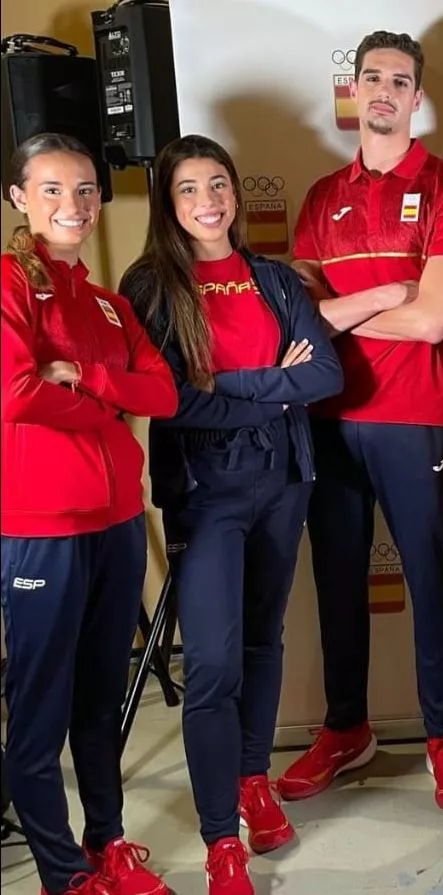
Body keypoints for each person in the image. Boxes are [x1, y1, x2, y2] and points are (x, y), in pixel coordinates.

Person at [120, 134, 343, 895]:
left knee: (261, 640)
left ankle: (253, 780)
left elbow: (322, 373)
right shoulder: (150, 286)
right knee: (211, 665)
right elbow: (169, 398)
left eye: (218, 184)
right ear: (169, 204)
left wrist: (231, 384)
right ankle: (222, 839)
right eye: (189, 189)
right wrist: (266, 383)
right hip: (205, 493)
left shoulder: (273, 278)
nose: (208, 200)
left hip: (281, 480)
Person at [275, 31, 443, 813]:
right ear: (354, 91)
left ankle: (441, 739)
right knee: (335, 582)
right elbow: (301, 319)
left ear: (416, 97)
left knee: (429, 582)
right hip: (327, 418)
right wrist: (378, 296)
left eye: (401, 79)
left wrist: (337, 318)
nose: (386, 90)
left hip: (415, 415)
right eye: (373, 78)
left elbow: (432, 323)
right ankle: (344, 727)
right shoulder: (323, 195)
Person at [0, 133, 177, 895]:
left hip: (115, 524)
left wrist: (85, 379)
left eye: (84, 191)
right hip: (41, 530)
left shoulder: (106, 302)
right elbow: (13, 393)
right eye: (51, 190)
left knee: (100, 700)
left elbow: (163, 393)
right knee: (40, 711)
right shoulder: (7, 283)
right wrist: (105, 395)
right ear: (18, 199)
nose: (71, 205)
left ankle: (107, 844)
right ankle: (62, 873)